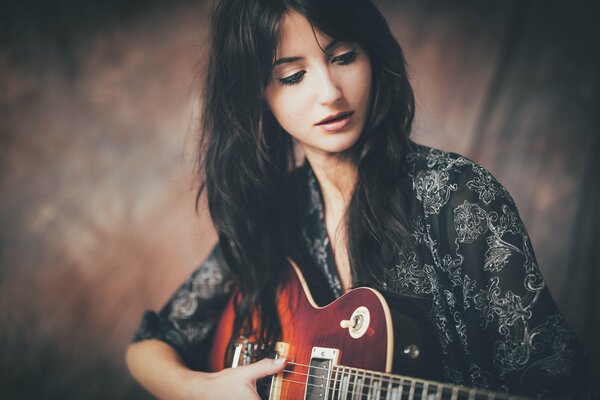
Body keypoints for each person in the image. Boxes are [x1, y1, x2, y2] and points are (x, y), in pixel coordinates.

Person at [125, 0, 596, 398]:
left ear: (374, 55)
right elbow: (150, 346)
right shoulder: (275, 212)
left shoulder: (458, 197)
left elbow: (555, 376)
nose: (329, 93)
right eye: (292, 76)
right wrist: (202, 390)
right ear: (256, 97)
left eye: (344, 56)